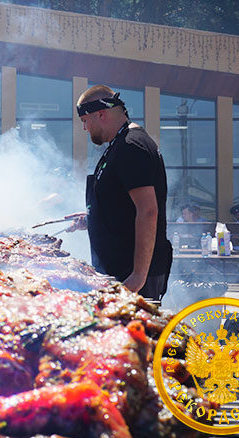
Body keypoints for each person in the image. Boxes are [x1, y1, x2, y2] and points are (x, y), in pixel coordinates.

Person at [66, 85, 172, 300]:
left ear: (101, 114)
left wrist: (138, 276)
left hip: (131, 275)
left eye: (85, 121)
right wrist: (94, 217)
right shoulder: (119, 145)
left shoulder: (132, 146)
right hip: (120, 270)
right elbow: (124, 206)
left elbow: (148, 211)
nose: (85, 128)